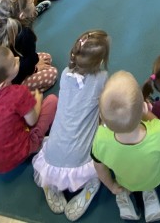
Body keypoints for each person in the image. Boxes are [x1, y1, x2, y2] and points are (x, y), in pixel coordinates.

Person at [33, 30, 110, 220]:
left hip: (53, 155)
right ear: (100, 61)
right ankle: (91, 186)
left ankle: (51, 184)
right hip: (81, 160)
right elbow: (105, 111)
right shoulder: (102, 78)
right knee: (106, 137)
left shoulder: (66, 74)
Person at [92, 71, 160, 222]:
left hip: (125, 181)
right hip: (155, 178)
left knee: (120, 177)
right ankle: (148, 192)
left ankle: (122, 194)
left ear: (102, 118)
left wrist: (112, 186)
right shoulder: (158, 131)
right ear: (144, 107)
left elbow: (99, 168)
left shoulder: (100, 139)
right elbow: (157, 124)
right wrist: (145, 113)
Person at [0, 46, 58, 174]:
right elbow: (32, 121)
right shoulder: (18, 93)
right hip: (17, 153)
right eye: (14, 63)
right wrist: (38, 101)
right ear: (2, 84)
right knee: (52, 101)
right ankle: (35, 144)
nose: (18, 59)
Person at [0, 0, 58, 92]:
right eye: (31, 1)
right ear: (22, 15)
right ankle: (23, 93)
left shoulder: (0, 27)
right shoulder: (25, 33)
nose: (33, 1)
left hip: (12, 68)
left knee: (46, 57)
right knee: (52, 73)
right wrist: (35, 68)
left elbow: (25, 56)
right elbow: (27, 62)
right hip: (15, 79)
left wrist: (34, 61)